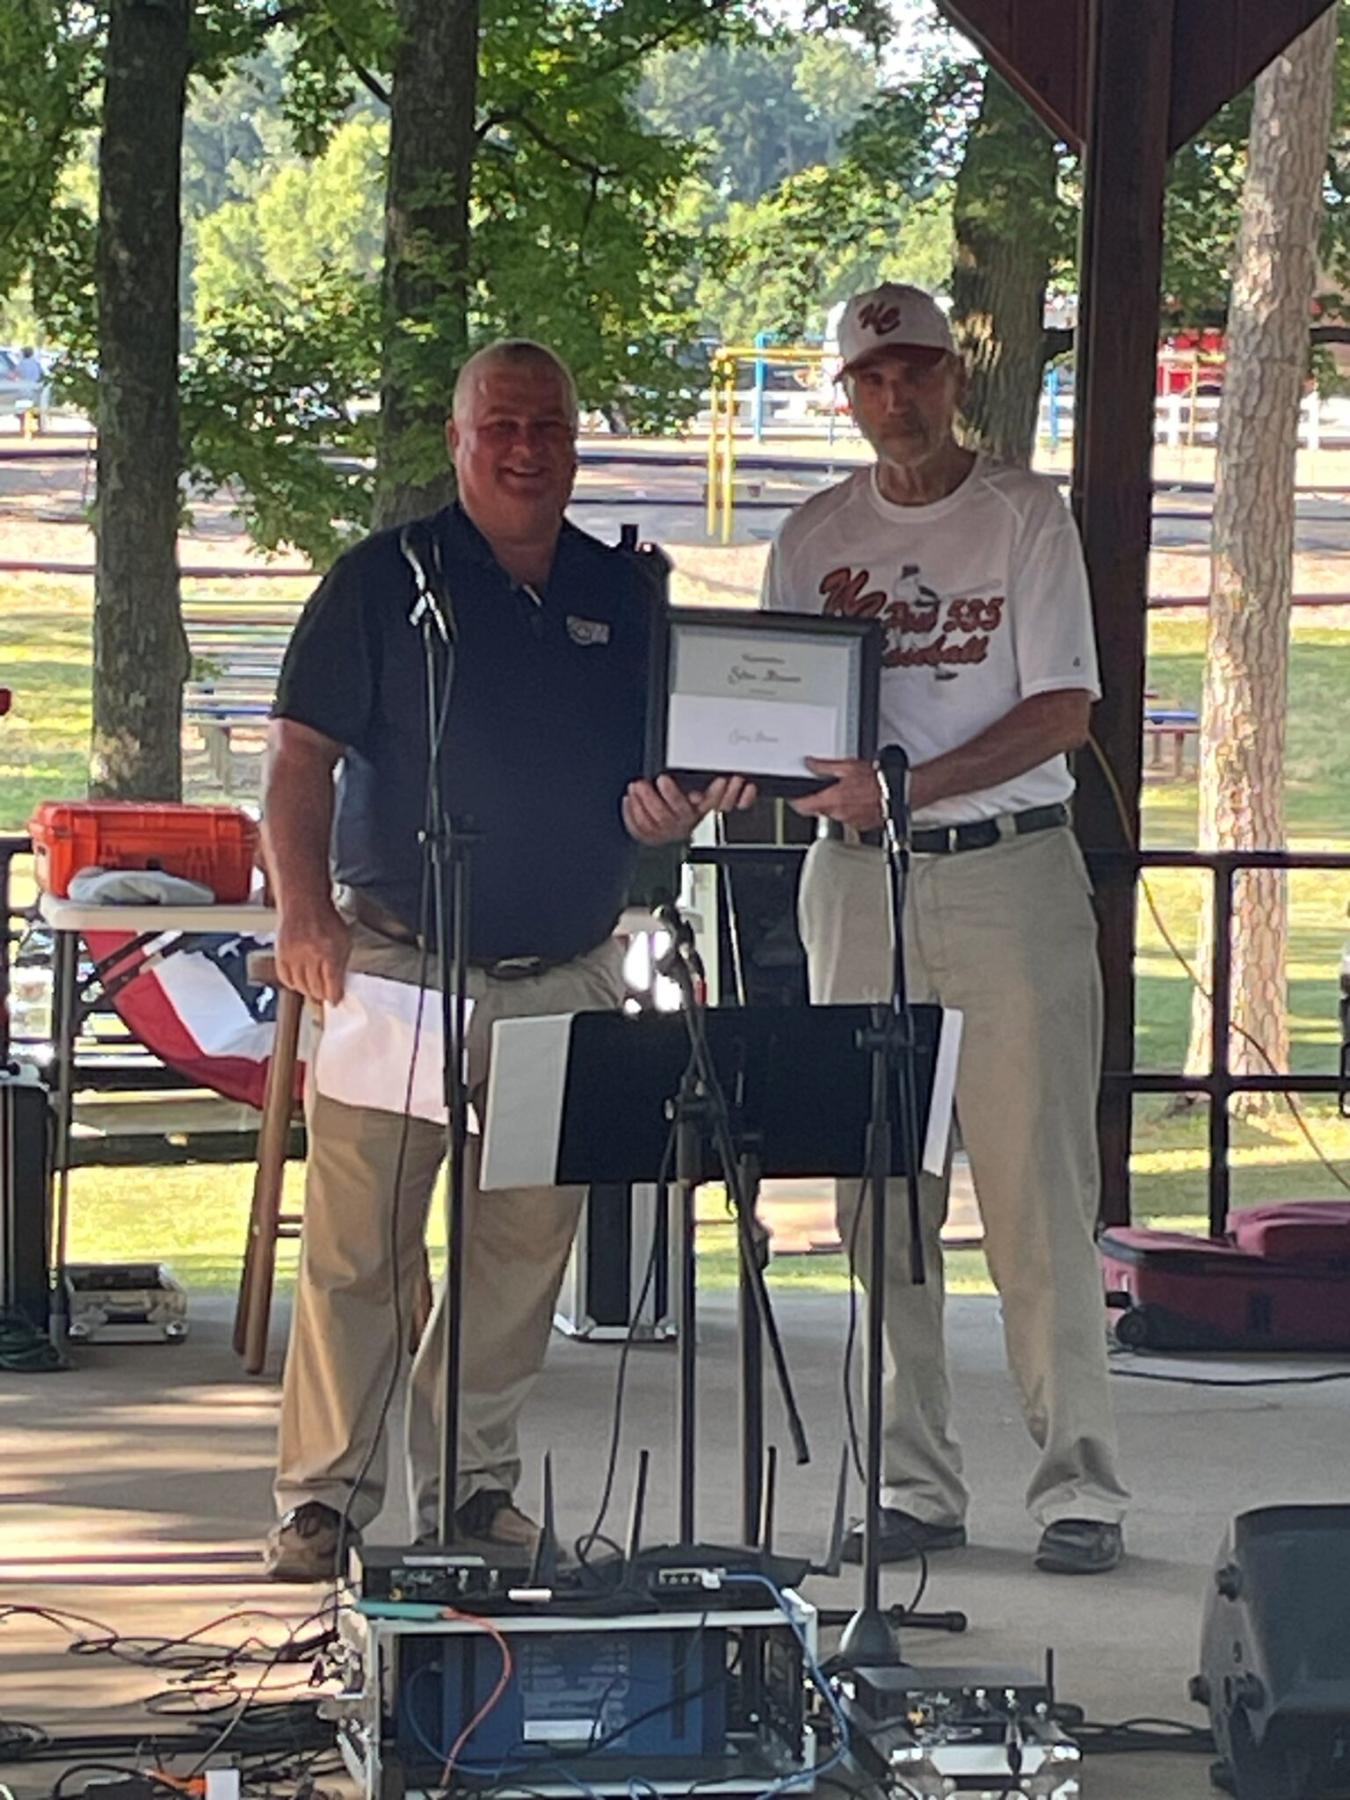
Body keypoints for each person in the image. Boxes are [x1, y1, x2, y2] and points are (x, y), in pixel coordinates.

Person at [263, 338, 748, 1581]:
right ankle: (325, 1498)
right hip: (398, 970)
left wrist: (672, 813)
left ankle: (473, 1490)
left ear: (576, 443)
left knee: (521, 1249)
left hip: (565, 972)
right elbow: (298, 759)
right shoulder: (384, 581)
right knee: (361, 1244)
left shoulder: (626, 592)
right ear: (458, 440)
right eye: (502, 426)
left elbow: (669, 762)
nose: (527, 447)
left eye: (550, 425)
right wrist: (303, 914)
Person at [762, 282, 1129, 1575]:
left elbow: (1061, 711)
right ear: (847, 394)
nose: (894, 396)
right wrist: (718, 761)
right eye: (870, 377)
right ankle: (914, 1481)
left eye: (914, 369)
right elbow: (773, 705)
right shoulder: (811, 535)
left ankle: (1076, 1483)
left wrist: (914, 783)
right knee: (875, 1193)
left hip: (1004, 871)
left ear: (950, 377)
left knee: (1034, 1190)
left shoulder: (1023, 514)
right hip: (853, 878)